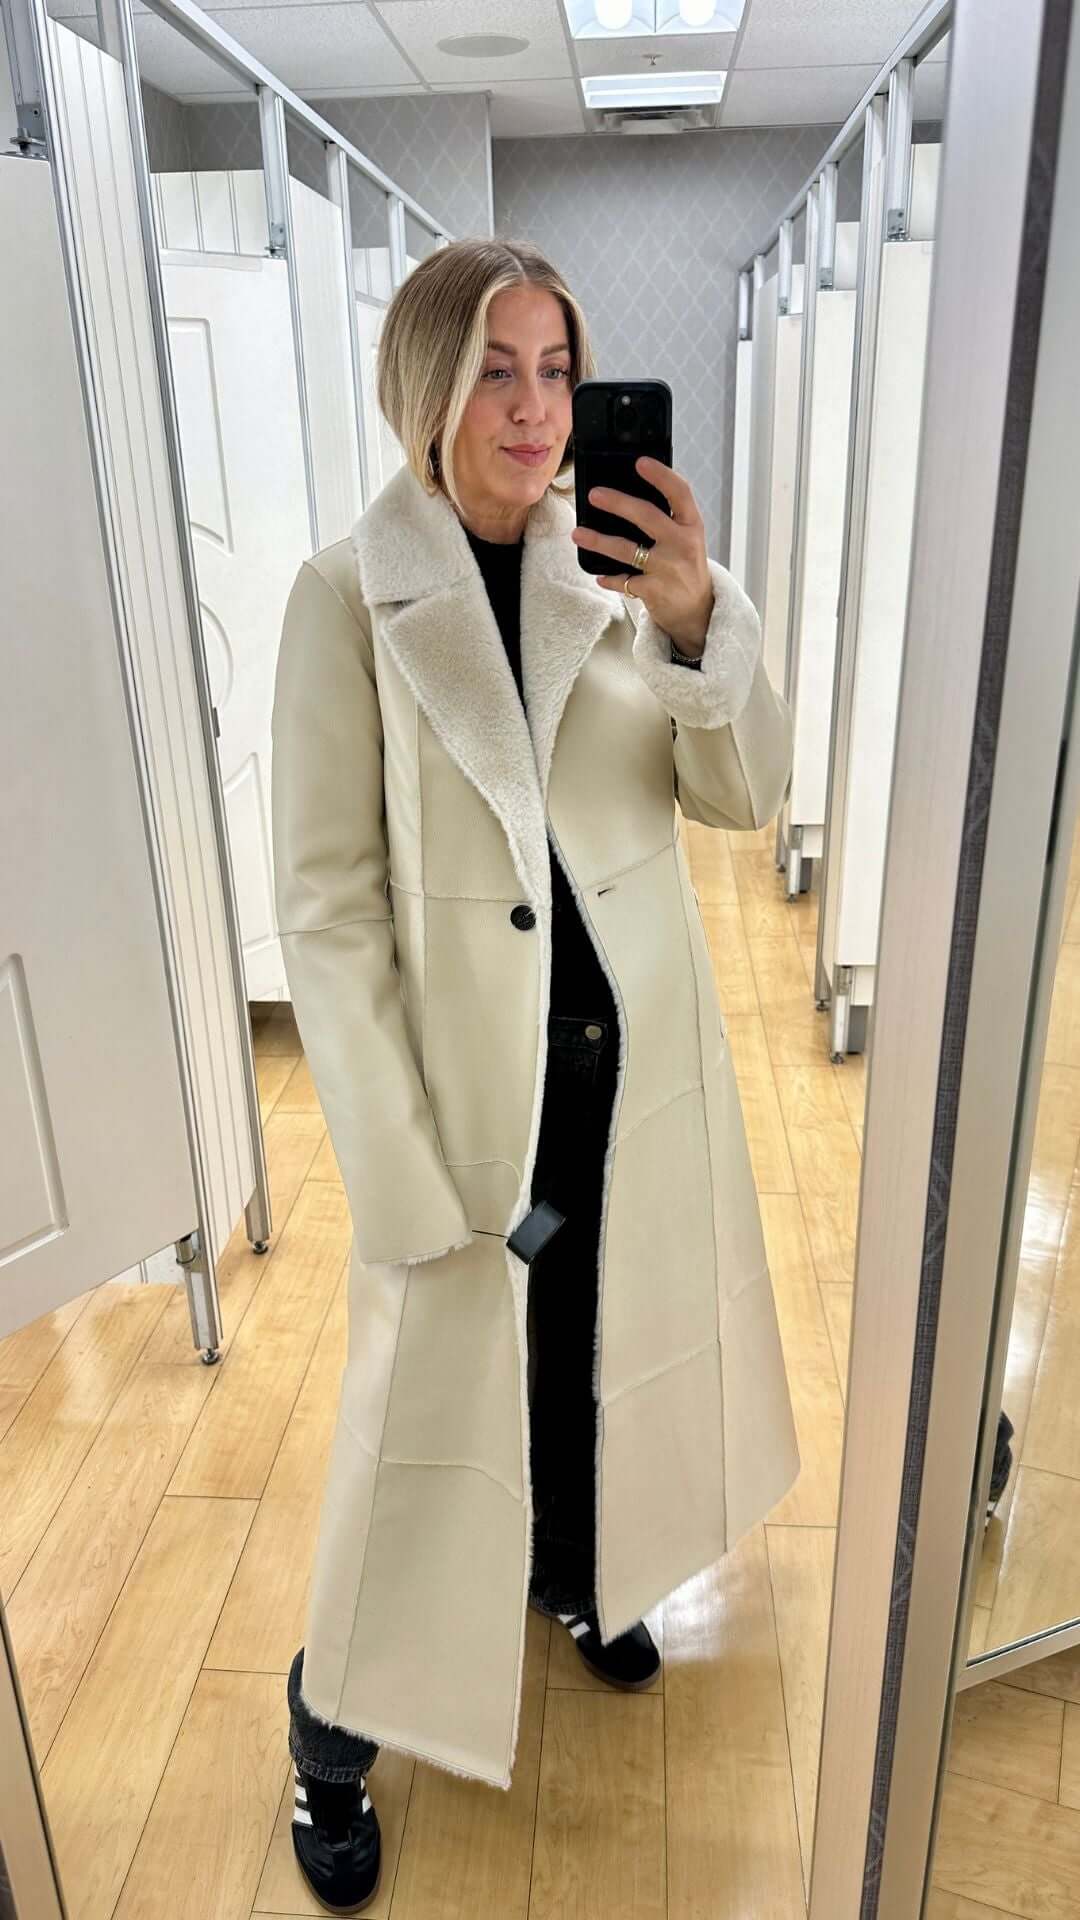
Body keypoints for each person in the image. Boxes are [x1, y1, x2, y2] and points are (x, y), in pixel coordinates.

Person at [269, 236, 799, 1913]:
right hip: (464, 1113)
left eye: (558, 369)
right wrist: (398, 1167)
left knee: (590, 1368)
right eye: (497, 368)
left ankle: (581, 1572)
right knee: (414, 1441)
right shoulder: (347, 598)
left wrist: (704, 619)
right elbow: (330, 908)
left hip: (623, 1088)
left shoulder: (616, 577)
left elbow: (740, 803)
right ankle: (330, 1738)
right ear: (427, 383)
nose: (534, 407)